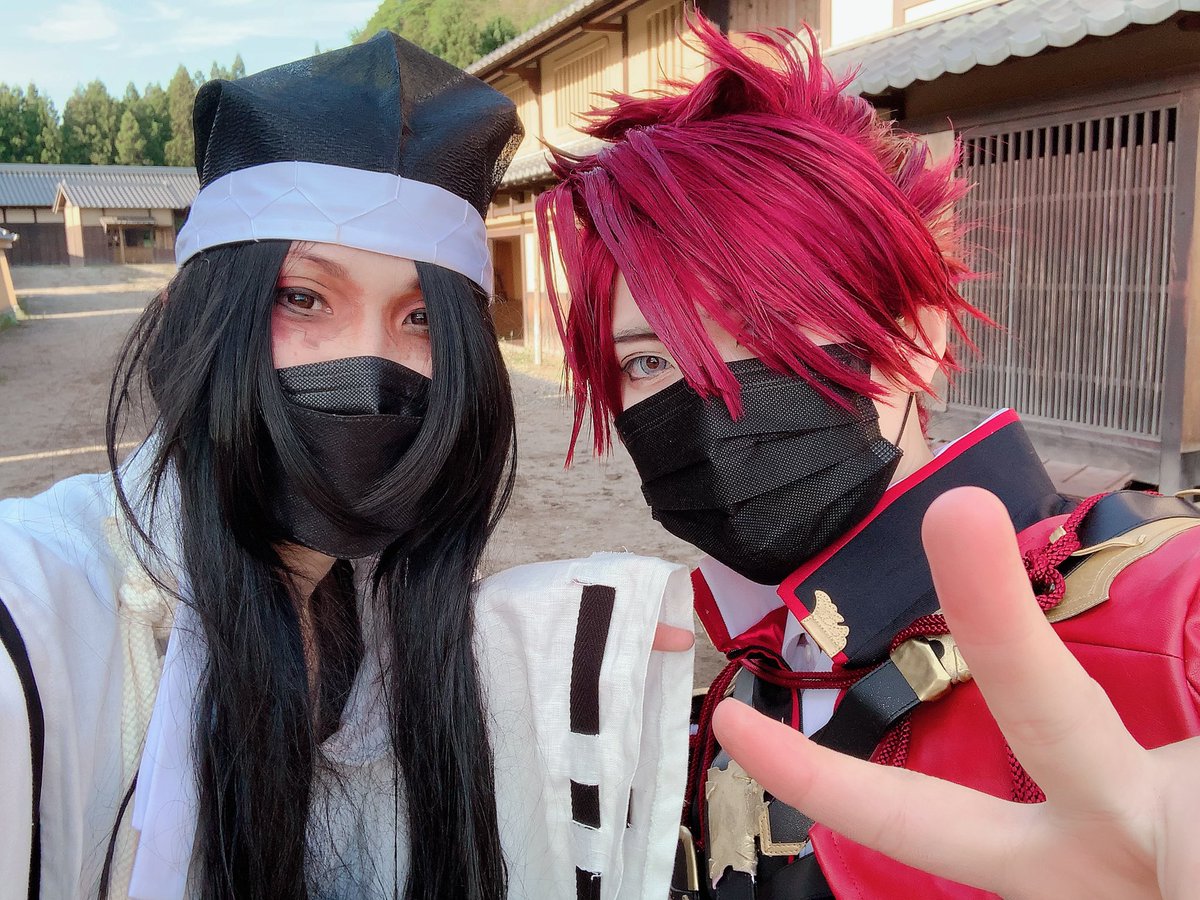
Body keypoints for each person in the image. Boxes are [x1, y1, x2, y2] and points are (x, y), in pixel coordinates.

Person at [0, 34, 693, 900]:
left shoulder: (387, 615)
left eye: (421, 318)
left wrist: (546, 648)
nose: (369, 368)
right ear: (195, 318)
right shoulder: (40, 616)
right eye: (303, 298)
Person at [536, 16, 1200, 899]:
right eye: (650, 361)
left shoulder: (1166, 615)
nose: (713, 398)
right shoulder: (752, 664)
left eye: (771, 327)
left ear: (917, 336)